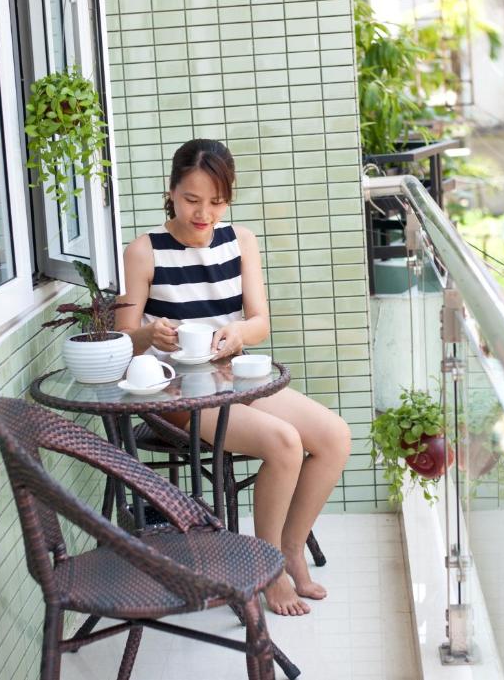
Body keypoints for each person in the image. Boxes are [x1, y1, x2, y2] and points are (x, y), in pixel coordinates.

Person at [116, 139, 352, 616]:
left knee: (335, 436)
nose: (204, 213)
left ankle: (290, 546)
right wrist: (149, 334)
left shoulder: (240, 240)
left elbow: (261, 320)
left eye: (216, 201)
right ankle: (267, 572)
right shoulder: (144, 252)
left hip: (232, 380)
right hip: (178, 398)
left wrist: (239, 332)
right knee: (284, 442)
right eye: (191, 200)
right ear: (171, 191)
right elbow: (122, 339)